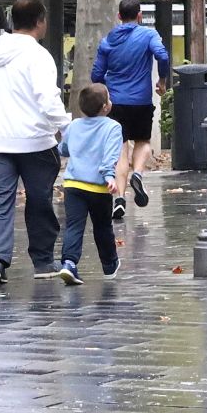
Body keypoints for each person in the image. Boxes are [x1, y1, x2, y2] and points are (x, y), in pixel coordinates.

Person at [0, 0, 71, 284]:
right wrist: (67, 128)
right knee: (40, 199)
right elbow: (47, 99)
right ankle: (43, 261)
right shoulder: (38, 55)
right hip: (35, 140)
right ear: (39, 21)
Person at [90, 0, 171, 221]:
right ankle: (138, 174)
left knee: (120, 150)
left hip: (116, 103)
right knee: (143, 142)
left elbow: (96, 75)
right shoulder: (148, 35)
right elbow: (162, 56)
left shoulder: (107, 41)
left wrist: (107, 87)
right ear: (139, 15)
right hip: (141, 101)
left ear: (118, 16)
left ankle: (120, 199)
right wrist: (162, 80)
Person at [55, 84, 124, 285]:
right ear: (105, 107)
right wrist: (109, 176)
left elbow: (64, 149)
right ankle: (110, 265)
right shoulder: (112, 127)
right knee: (102, 227)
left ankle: (69, 263)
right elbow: (110, 155)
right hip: (98, 187)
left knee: (74, 226)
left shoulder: (74, 125)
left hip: (73, 185)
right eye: (109, 99)